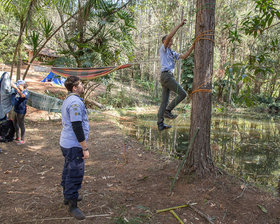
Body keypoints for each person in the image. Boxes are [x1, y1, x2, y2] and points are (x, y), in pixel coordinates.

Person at [60, 76, 89, 220]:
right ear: (74, 88)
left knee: (68, 169)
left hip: (66, 143)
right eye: (80, 84)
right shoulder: (75, 102)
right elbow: (77, 126)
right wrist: (84, 147)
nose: (82, 86)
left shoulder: (68, 100)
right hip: (73, 144)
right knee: (75, 173)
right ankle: (73, 206)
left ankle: (67, 197)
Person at [157, 19, 195, 131]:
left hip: (167, 77)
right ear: (164, 42)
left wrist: (193, 46)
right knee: (182, 94)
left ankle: (160, 124)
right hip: (166, 76)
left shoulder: (172, 53)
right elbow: (169, 36)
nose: (171, 42)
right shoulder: (163, 49)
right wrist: (179, 25)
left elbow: (184, 56)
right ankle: (168, 111)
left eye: (171, 41)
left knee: (164, 101)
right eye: (169, 41)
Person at [11, 80, 29, 144]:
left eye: (19, 85)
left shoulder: (26, 92)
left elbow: (22, 96)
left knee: (21, 124)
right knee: (15, 123)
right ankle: (17, 136)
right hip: (16, 109)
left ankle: (22, 139)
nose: (18, 86)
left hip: (21, 111)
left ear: (23, 85)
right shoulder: (18, 91)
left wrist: (16, 88)